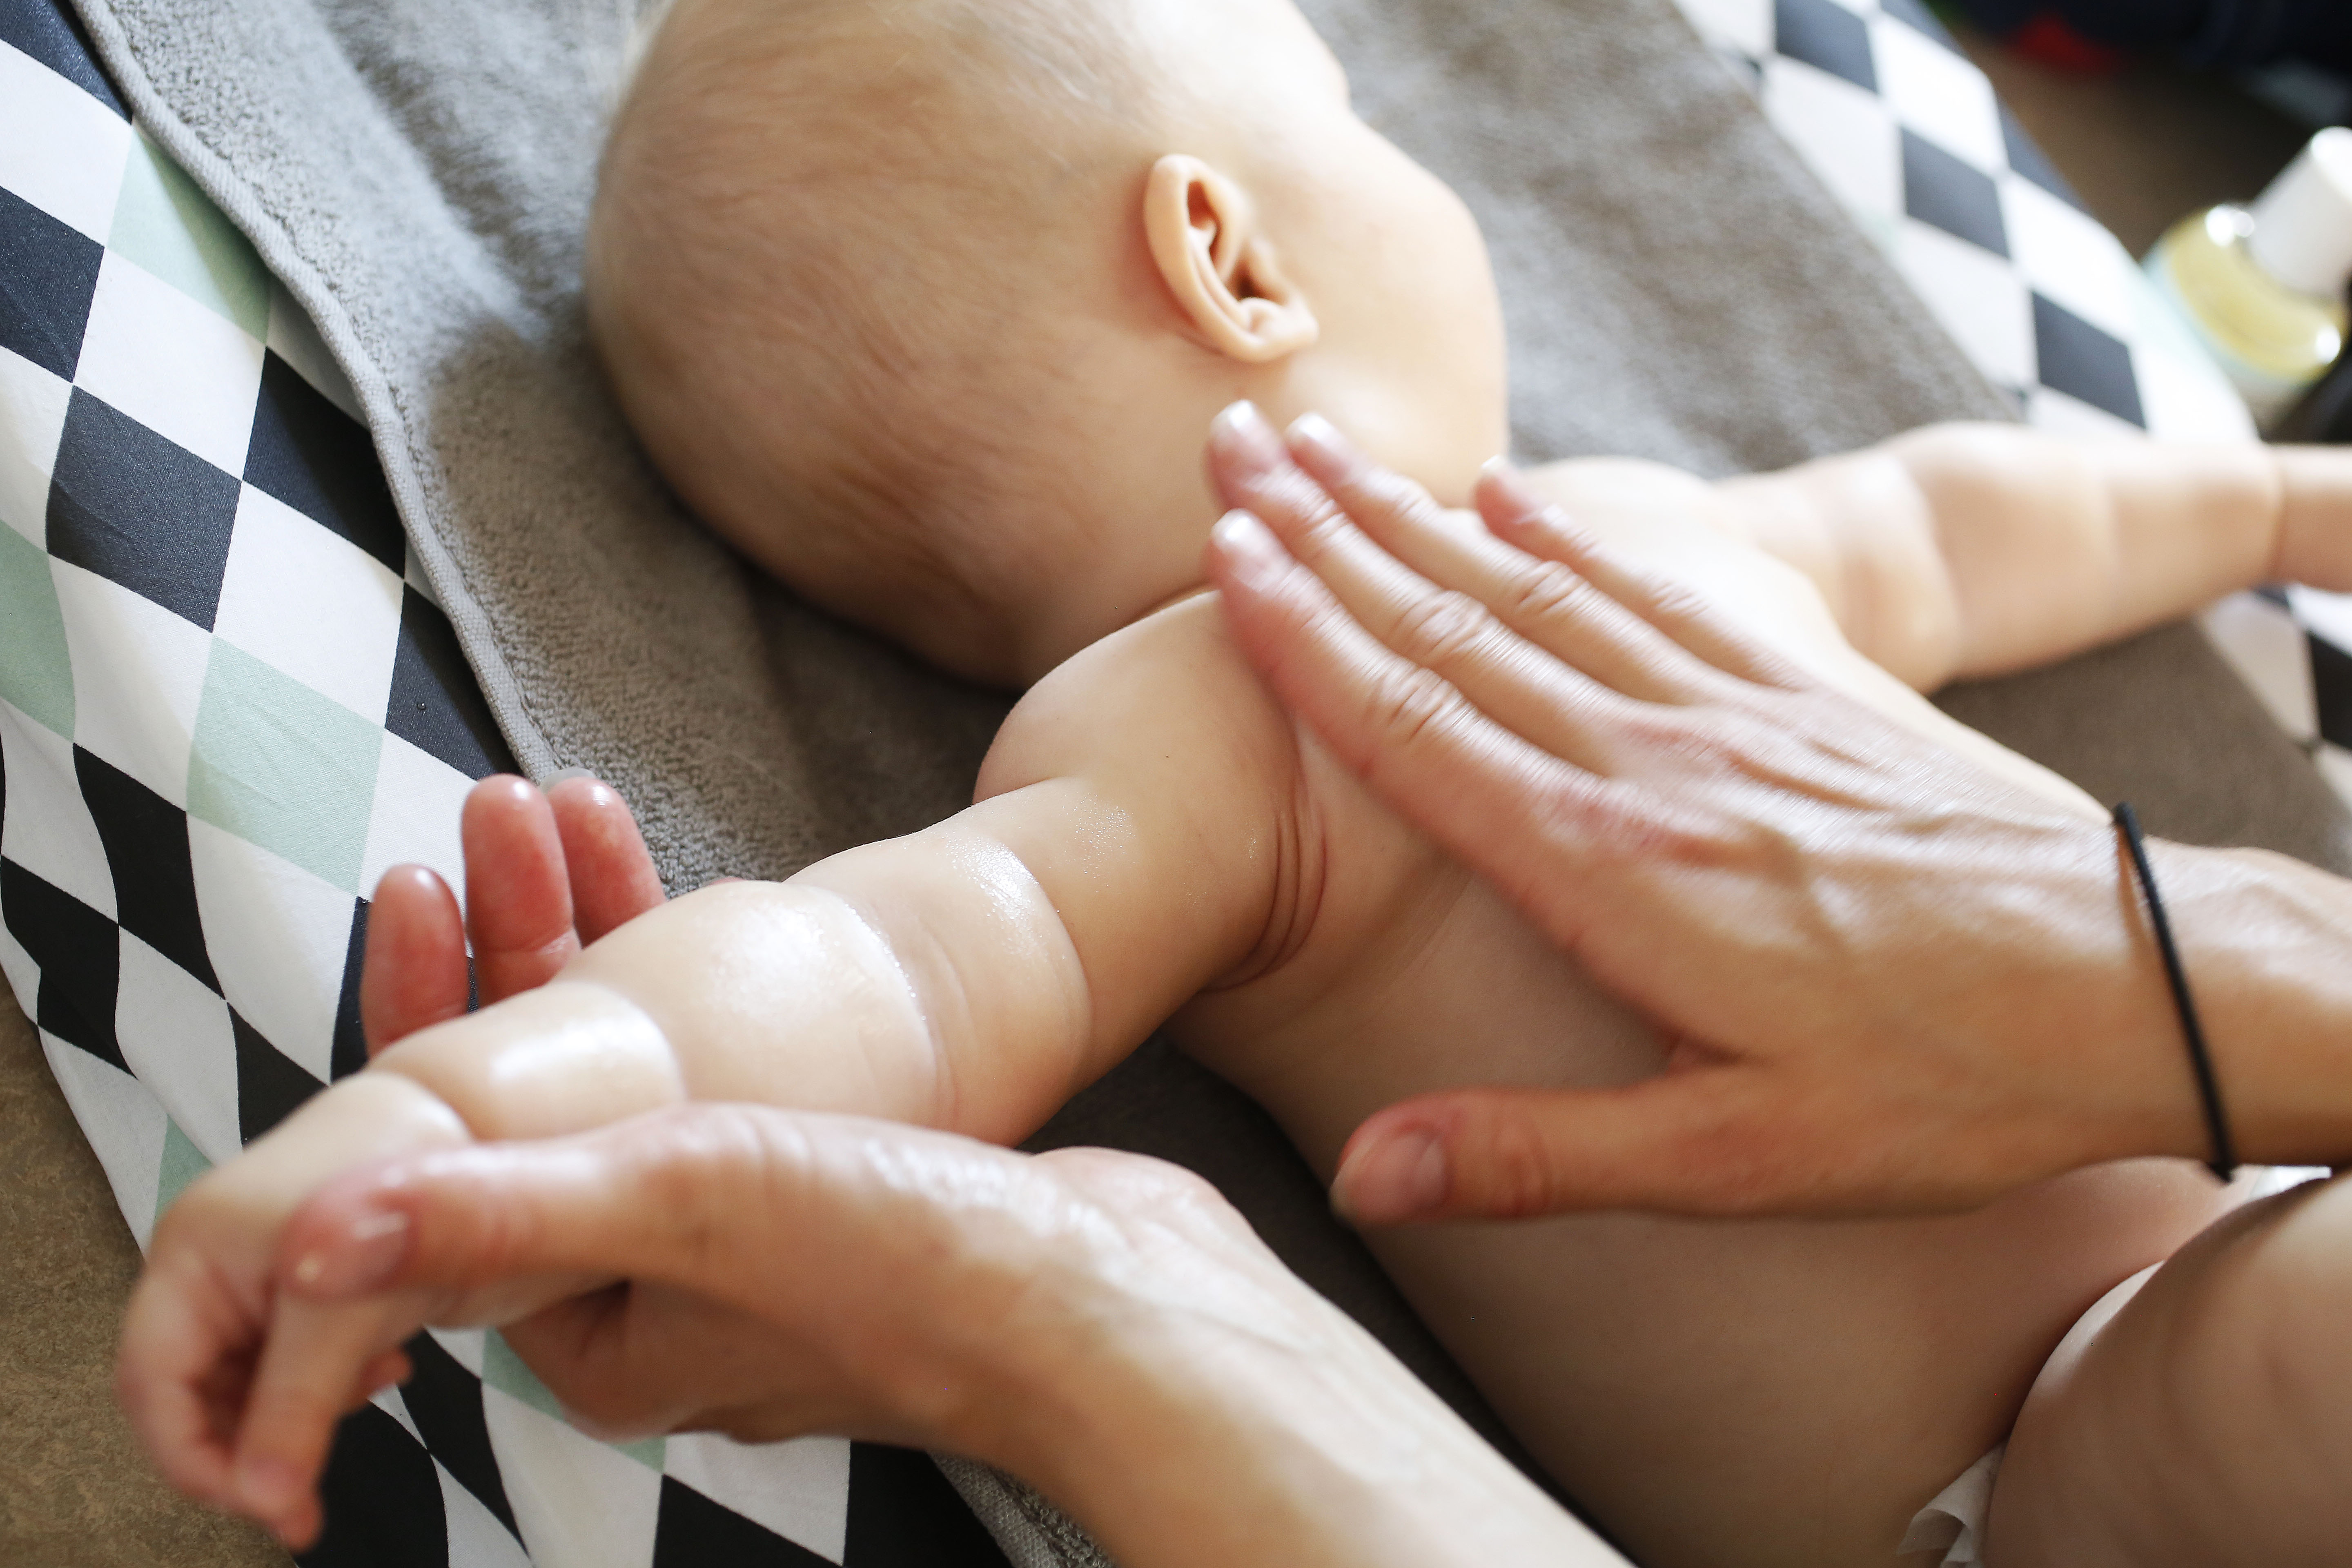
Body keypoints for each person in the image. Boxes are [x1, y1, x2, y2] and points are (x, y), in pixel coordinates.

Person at [114, 0, 2352, 1560]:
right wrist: (485, 1117)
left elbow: (1954, 531)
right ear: (1232, 251)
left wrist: (2256, 516)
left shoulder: (1625, 542)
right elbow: (881, 970)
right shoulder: (1213, 722)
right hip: (2068, 1433)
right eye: (1359, 114)